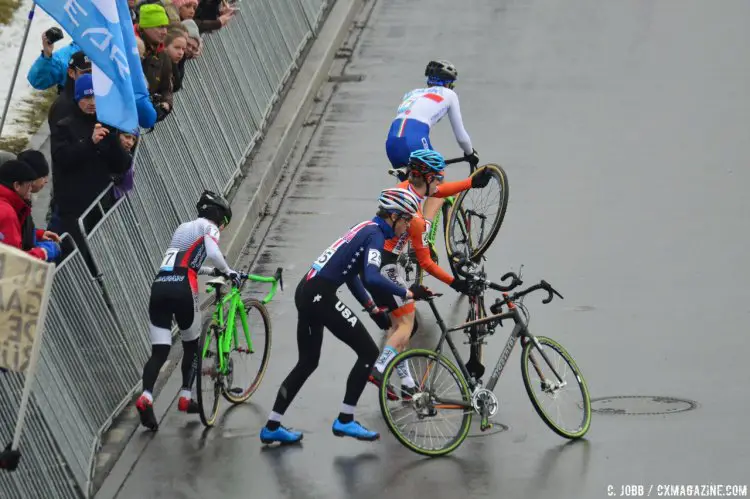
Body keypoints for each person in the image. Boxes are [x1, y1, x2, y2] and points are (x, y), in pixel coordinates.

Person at [259, 188, 432, 445]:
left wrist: (371, 307)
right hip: (321, 296)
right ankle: (345, 419)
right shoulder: (375, 235)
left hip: (307, 291)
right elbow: (372, 276)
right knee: (369, 353)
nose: (407, 226)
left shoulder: (364, 227)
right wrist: (407, 292)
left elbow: (352, 274)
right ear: (394, 216)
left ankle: (272, 425)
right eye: (406, 219)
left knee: (307, 362)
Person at [368, 149, 494, 398]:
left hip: (374, 260)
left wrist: (470, 183)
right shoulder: (414, 219)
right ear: (426, 178)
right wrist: (455, 283)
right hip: (386, 264)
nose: (440, 184)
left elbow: (437, 193)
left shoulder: (407, 187)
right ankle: (379, 368)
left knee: (399, 326)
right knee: (406, 323)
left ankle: (406, 383)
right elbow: (425, 262)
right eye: (438, 178)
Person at [136, 191, 241, 431]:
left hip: (160, 285)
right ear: (219, 217)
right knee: (192, 345)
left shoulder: (183, 228)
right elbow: (213, 253)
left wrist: (211, 272)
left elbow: (183, 261)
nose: (222, 229)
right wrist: (229, 271)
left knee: (159, 352)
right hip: (183, 287)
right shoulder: (210, 227)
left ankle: (146, 397)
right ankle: (185, 396)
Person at [385, 60, 480, 236]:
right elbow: (461, 136)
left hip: (392, 140)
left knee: (413, 186)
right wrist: (470, 153)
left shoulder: (412, 93)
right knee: (438, 181)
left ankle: (403, 234)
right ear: (449, 83)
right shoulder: (449, 94)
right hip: (414, 138)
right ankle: (424, 230)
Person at [0, 160, 54, 261]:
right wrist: (44, 252)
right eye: (28, 185)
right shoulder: (7, 214)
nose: (30, 190)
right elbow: (14, 261)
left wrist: (36, 234)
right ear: (17, 186)